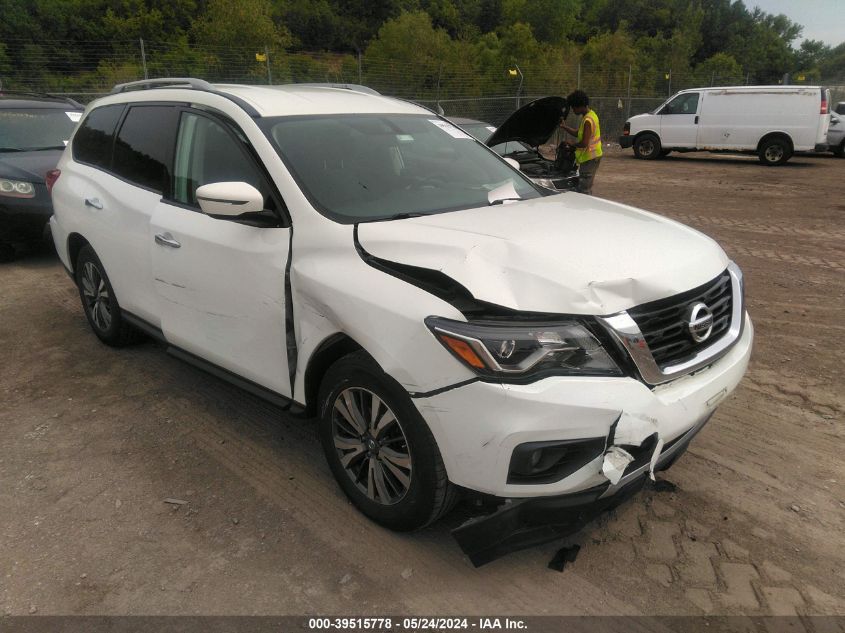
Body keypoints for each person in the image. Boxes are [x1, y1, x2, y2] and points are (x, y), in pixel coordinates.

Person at [559, 90, 602, 195]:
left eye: (574, 107)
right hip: (592, 156)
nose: (573, 110)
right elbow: (579, 133)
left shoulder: (588, 120)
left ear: (580, 106)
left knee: (584, 189)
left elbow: (584, 143)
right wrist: (565, 127)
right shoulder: (591, 115)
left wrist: (571, 144)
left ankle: (585, 209)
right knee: (584, 186)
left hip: (590, 158)